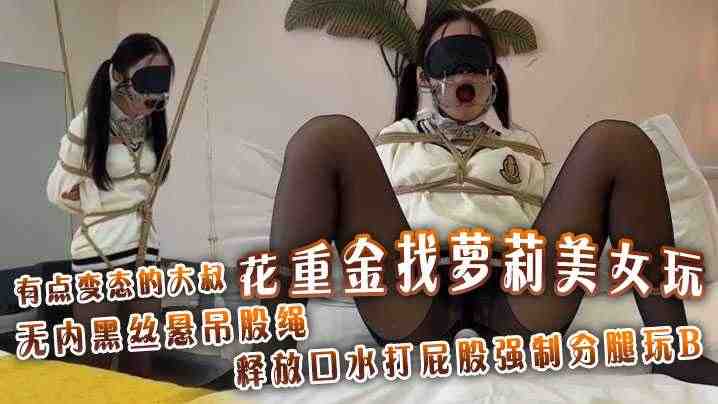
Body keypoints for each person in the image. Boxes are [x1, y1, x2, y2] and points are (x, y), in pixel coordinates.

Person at [259, 10, 718, 385]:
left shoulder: (524, 147)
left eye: (474, 58)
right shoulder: (391, 143)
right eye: (448, 58)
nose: (462, 70)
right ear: (424, 77)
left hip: (515, 294)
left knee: (619, 141)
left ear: (491, 75)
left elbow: (556, 228)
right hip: (414, 294)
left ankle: (674, 351)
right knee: (326, 136)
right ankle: (269, 356)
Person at [47, 33, 174, 378]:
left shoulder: (152, 122)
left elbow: (152, 181)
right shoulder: (86, 124)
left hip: (145, 251)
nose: (155, 92)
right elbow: (56, 191)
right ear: (119, 75)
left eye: (162, 80)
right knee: (96, 365)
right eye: (148, 79)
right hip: (98, 253)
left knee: (141, 363)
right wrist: (88, 196)